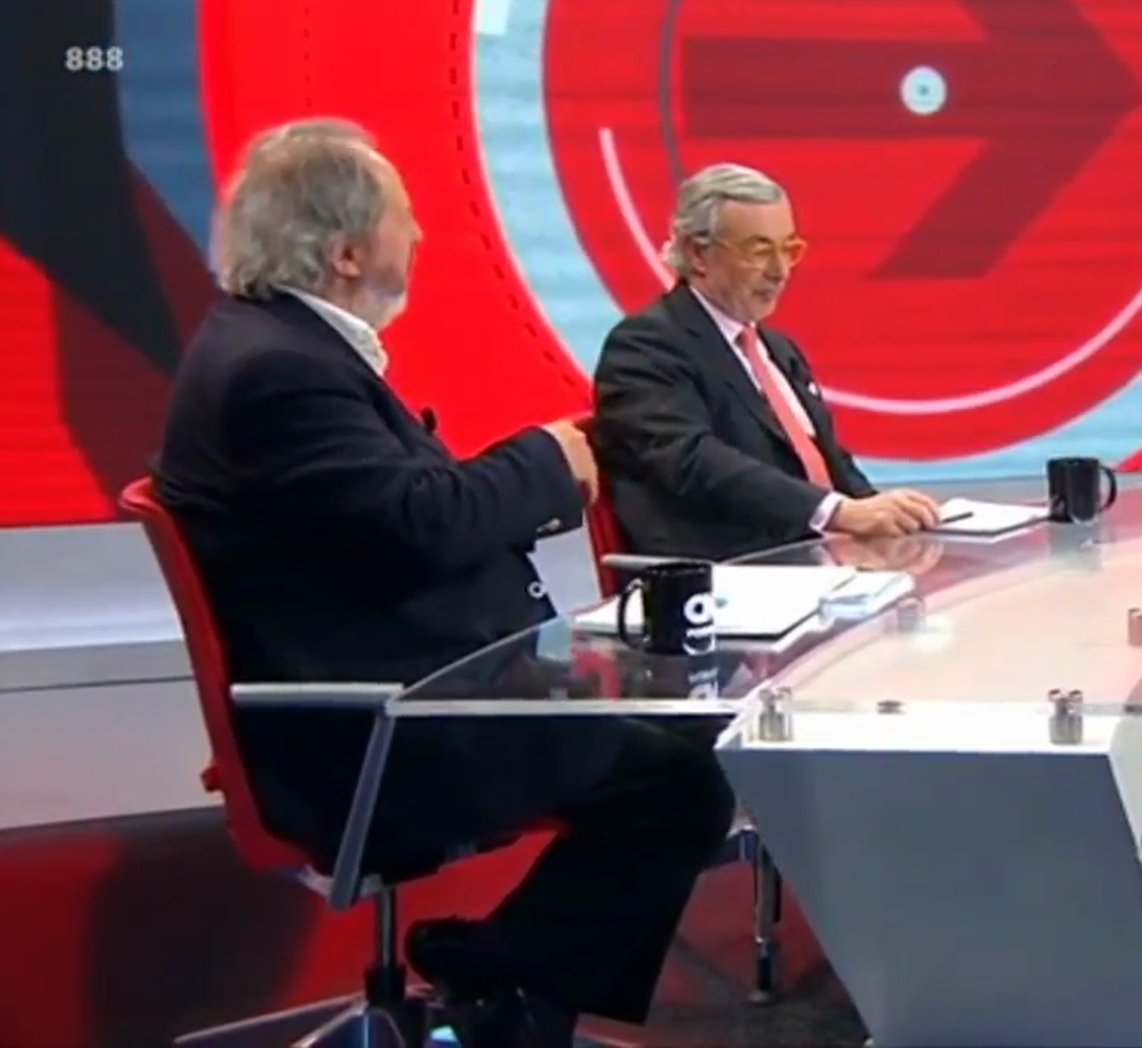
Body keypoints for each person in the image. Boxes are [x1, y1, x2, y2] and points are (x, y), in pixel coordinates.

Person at [154, 118, 734, 1045]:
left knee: (677, 742)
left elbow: (396, 516)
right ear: (346, 252)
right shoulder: (278, 373)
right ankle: (506, 985)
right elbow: (419, 527)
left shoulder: (275, 346)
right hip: (376, 726)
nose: (420, 235)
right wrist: (546, 459)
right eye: (404, 217)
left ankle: (506, 979)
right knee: (681, 786)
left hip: (401, 681)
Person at [593, 163, 942, 562]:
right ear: (698, 253)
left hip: (824, 562)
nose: (779, 271)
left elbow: (827, 458)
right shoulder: (646, 346)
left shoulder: (777, 348)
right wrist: (837, 512)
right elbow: (691, 460)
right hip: (731, 570)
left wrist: (883, 512)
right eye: (759, 251)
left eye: (789, 249)